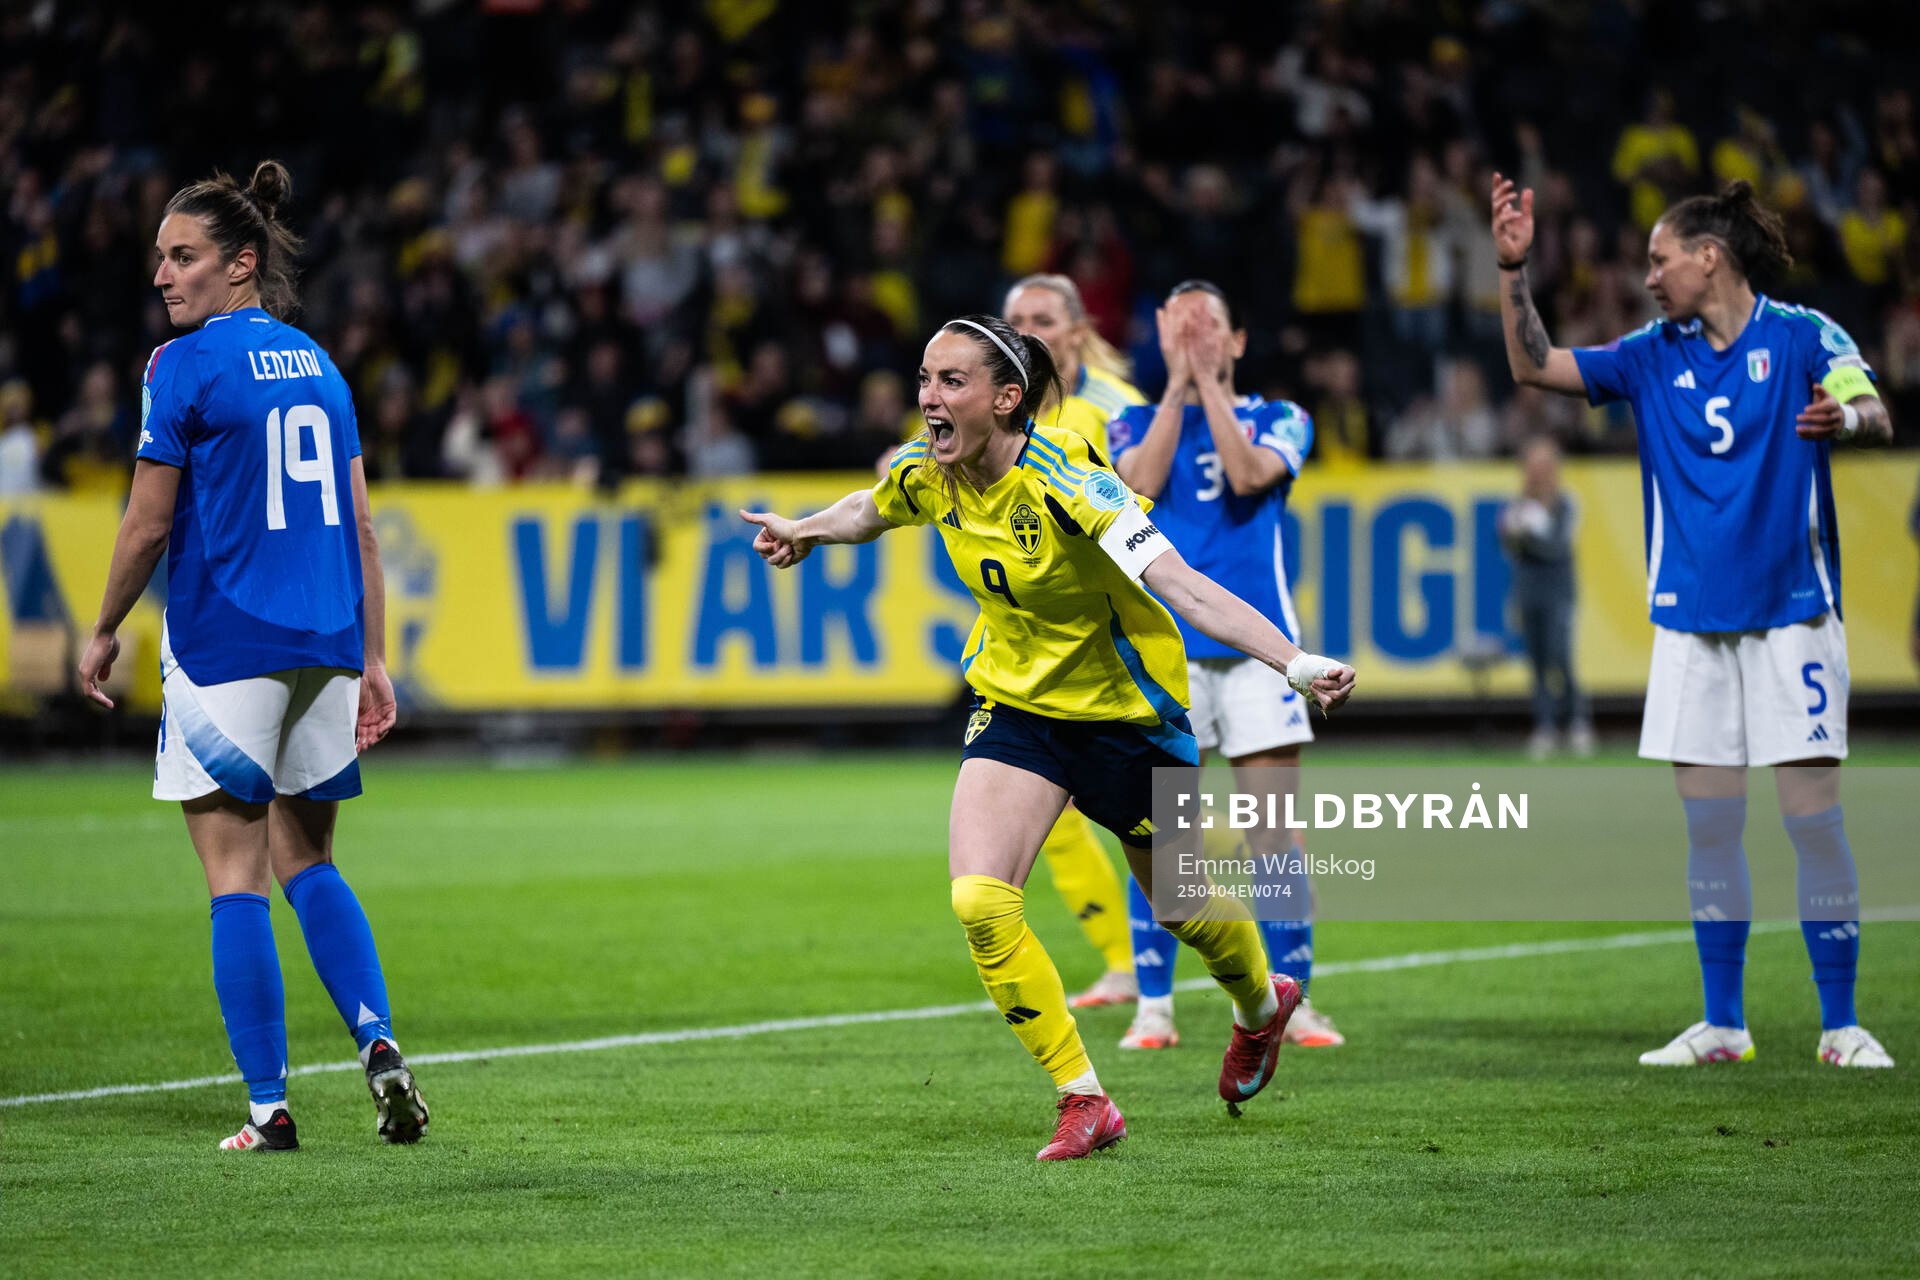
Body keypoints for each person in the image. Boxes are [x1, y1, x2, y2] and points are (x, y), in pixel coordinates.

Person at [741, 315, 1355, 1159]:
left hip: (1128, 719)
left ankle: (1261, 1005)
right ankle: (1083, 1096)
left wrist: (1292, 662)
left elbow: (1181, 584)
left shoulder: (1072, 482)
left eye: (950, 382)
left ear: (1006, 399)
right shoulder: (931, 471)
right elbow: (870, 507)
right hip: (1018, 708)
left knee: (1181, 906)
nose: (928, 398)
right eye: (925, 379)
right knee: (979, 901)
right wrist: (806, 531)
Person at [1492, 173, 1896, 1069]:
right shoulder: (1649, 352)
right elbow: (1535, 366)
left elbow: (1873, 405)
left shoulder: (1801, 337)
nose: (1647, 277)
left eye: (1658, 260)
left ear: (1708, 257)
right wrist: (1513, 270)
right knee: (1709, 826)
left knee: (1811, 820)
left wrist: (1849, 422)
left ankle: (1841, 1024)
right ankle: (1724, 1024)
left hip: (1793, 613)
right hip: (1689, 623)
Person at [77, 161, 432, 1151]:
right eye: (158, 258)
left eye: (182, 256)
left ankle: (269, 1108)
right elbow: (362, 527)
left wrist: (103, 627)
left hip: (226, 641)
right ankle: (376, 1038)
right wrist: (373, 655)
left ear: (240, 263)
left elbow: (148, 525)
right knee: (309, 856)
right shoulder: (321, 363)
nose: (162, 275)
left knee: (236, 877)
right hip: (324, 638)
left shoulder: (178, 366)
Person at [1108, 280, 1345, 1053]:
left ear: (1240, 341)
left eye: (1210, 325)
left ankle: (1296, 1001)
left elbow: (1247, 478)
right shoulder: (1132, 422)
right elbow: (1137, 485)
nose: (1196, 335)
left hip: (1258, 656)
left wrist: (1209, 382)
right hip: (1164, 654)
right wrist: (1180, 382)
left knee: (1271, 834)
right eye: (1181, 325)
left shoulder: (1281, 418)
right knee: (1163, 833)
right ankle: (1155, 1006)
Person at [1001, 273, 1148, 1010]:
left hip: (1125, 641)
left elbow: (1158, 510)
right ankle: (1127, 966)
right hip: (1038, 645)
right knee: (1053, 814)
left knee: (1147, 816)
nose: (1029, 332)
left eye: (1043, 320)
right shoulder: (996, 407)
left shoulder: (1119, 410)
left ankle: (1237, 970)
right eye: (1015, 320)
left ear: (1078, 328)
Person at [1498, 437, 1595, 759]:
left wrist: (1526, 533)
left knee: (1561, 657)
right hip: (1529, 593)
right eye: (1533, 467)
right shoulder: (1518, 505)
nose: (1538, 474)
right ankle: (1545, 726)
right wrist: (1513, 533)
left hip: (1559, 594)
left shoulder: (1567, 503)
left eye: (1544, 467)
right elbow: (1506, 545)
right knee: (1537, 662)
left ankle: (1578, 722)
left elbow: (1556, 546)